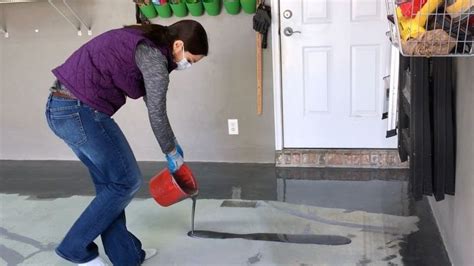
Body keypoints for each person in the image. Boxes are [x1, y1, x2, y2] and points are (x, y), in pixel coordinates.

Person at [44, 20, 208, 266]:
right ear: (178, 45)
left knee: (111, 187)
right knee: (126, 182)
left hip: (61, 108)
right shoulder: (153, 58)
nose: (188, 65)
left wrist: (169, 143)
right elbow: (157, 112)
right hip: (80, 111)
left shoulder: (145, 40)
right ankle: (75, 248)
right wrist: (171, 151)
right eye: (191, 60)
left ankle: (127, 257)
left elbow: (151, 101)